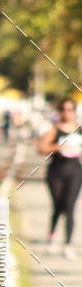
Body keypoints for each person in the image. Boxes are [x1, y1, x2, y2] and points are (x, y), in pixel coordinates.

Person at [38, 97, 82, 259]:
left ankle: (68, 245)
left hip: (75, 171)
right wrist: (57, 147)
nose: (66, 113)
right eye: (63, 110)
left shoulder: (79, 129)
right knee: (58, 206)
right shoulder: (54, 129)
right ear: (59, 112)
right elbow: (41, 147)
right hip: (56, 172)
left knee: (70, 207)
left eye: (70, 110)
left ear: (74, 111)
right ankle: (52, 237)